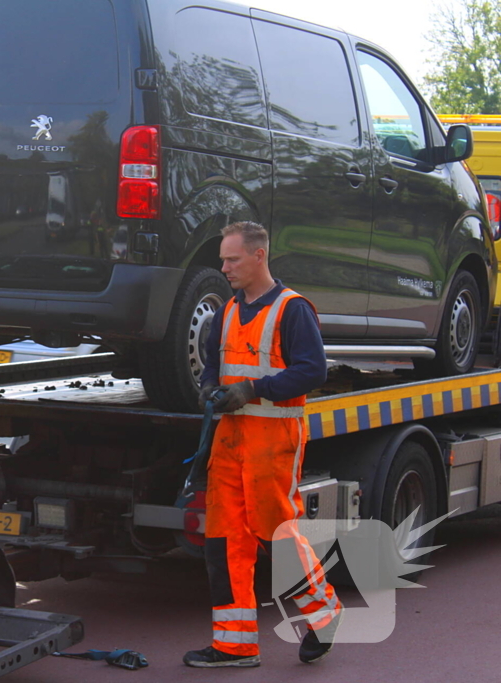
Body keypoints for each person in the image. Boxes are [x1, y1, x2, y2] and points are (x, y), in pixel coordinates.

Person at [182, 221, 342, 668]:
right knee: (224, 539)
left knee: (275, 530)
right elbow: (213, 362)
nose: (224, 267)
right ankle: (234, 645)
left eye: (232, 259)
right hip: (229, 438)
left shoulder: (292, 310)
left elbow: (313, 371)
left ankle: (324, 614)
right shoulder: (227, 311)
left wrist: (254, 389)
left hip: (272, 439)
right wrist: (209, 385)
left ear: (258, 257)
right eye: (222, 259)